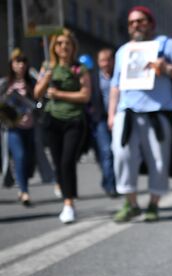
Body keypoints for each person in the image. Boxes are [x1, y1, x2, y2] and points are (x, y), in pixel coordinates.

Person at [108, 5, 172, 222]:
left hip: (158, 112)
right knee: (122, 157)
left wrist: (167, 69)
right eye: (132, 22)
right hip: (127, 112)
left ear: (150, 23)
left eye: (140, 20)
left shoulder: (165, 45)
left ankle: (153, 204)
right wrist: (111, 114)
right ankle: (131, 203)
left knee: (158, 161)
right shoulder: (122, 51)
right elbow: (115, 85)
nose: (136, 25)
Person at [34, 28, 91, 223]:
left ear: (73, 46)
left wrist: (60, 95)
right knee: (58, 162)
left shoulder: (79, 68)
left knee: (67, 161)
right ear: (54, 47)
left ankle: (69, 204)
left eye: (67, 43)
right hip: (52, 120)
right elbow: (37, 93)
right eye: (59, 43)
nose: (63, 46)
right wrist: (47, 78)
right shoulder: (47, 66)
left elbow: (85, 95)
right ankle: (64, 187)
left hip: (74, 120)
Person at [0, 48, 36, 206]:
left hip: (31, 126)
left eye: (23, 62)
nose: (20, 65)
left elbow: (40, 101)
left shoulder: (32, 82)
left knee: (29, 161)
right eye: (17, 62)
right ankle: (24, 191)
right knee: (19, 157)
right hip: (13, 128)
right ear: (12, 64)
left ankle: (23, 184)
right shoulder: (5, 83)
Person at [89, 48, 117, 197]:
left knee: (118, 152)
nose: (105, 63)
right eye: (102, 60)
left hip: (118, 118)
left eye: (107, 60)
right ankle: (110, 185)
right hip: (100, 119)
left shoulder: (119, 76)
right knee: (106, 152)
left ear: (113, 61)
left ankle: (111, 181)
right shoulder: (93, 77)